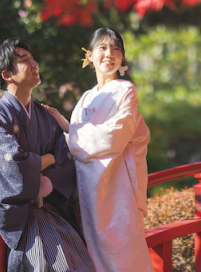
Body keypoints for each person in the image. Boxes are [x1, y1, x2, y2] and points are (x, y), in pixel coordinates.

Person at [0, 38, 94, 272]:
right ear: (7, 74)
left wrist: (36, 164)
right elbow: (13, 167)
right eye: (24, 60)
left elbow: (64, 161)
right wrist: (46, 160)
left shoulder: (46, 116)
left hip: (48, 210)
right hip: (17, 218)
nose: (35, 63)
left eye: (32, 57)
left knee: (81, 262)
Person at [45, 28, 154, 272]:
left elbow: (113, 137)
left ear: (122, 58)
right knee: (92, 258)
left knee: (123, 255)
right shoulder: (84, 98)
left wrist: (68, 129)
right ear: (90, 56)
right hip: (86, 192)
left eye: (116, 49)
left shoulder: (126, 90)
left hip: (117, 190)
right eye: (102, 48)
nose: (109, 54)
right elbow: (72, 146)